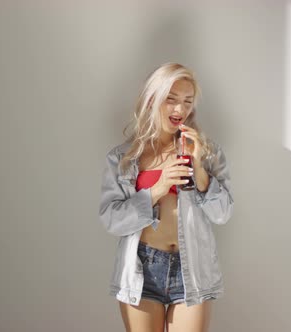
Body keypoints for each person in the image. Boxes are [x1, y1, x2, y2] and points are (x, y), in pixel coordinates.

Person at [99, 62, 234, 332]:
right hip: (142, 270)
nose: (180, 110)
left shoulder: (206, 152)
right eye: (171, 100)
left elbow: (223, 214)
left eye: (187, 101)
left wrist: (199, 169)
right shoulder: (123, 158)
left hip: (192, 269)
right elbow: (112, 220)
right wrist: (158, 188)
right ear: (152, 99)